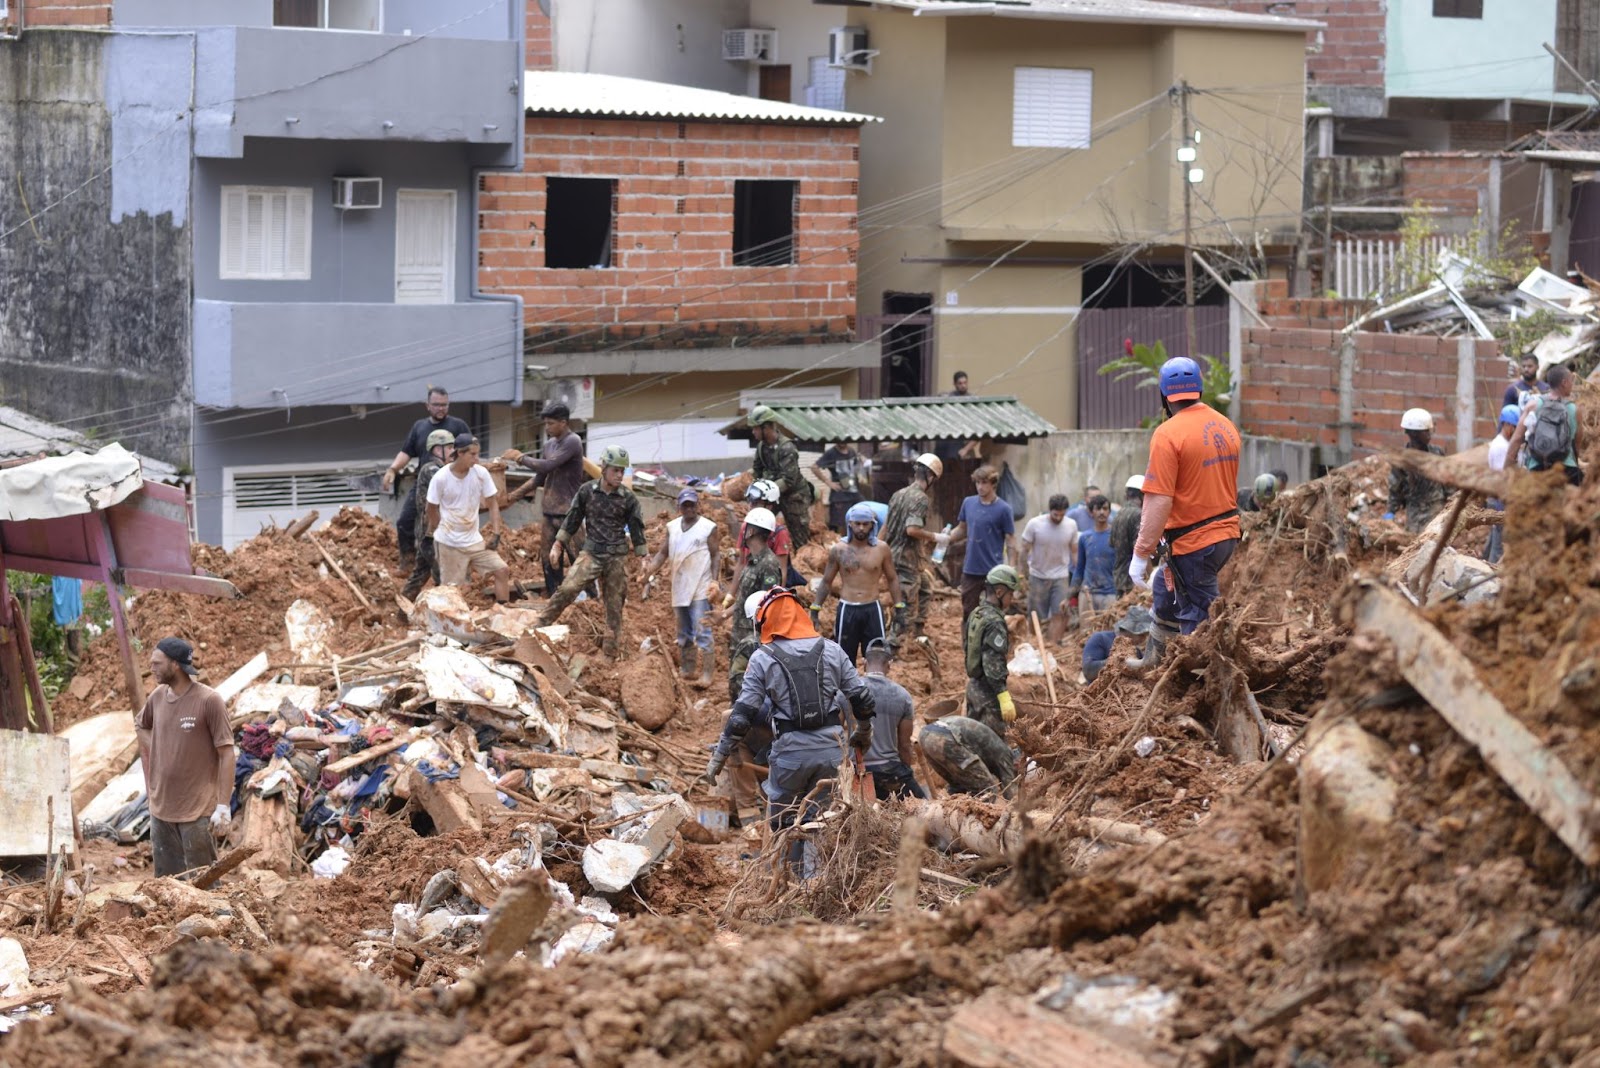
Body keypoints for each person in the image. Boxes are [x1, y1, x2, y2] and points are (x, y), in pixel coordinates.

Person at [704, 587, 875, 871]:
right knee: (820, 822)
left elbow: (741, 715)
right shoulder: (832, 649)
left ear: (764, 620)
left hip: (790, 755)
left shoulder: (762, 657)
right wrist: (864, 732)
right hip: (832, 751)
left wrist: (718, 758)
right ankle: (815, 887)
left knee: (784, 823)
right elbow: (861, 699)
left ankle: (783, 886)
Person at [1127, 357, 1242, 670]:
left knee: (1197, 615)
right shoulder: (1226, 426)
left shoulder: (1168, 434)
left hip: (1195, 543)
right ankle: (1155, 658)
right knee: (1166, 594)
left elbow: (1159, 500)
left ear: (1165, 396)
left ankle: (1198, 683)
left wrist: (1141, 552)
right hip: (1225, 535)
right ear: (1200, 390)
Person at [136, 638, 235, 877]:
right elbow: (141, 725)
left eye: (157, 663)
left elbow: (227, 753)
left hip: (197, 811)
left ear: (176, 665)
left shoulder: (208, 701)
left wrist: (222, 805)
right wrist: (159, 748)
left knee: (204, 881)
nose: (152, 668)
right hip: (161, 810)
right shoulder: (158, 697)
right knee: (167, 885)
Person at [539, 446, 646, 658]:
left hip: (616, 557)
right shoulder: (587, 491)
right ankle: (539, 625)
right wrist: (558, 545)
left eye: (622, 471)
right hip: (592, 553)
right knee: (568, 588)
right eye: (615, 470)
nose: (619, 475)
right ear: (604, 468)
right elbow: (572, 519)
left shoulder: (628, 498)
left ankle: (610, 654)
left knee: (614, 605)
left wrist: (644, 558)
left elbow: (637, 530)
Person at [501, 401, 586, 597]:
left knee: (578, 558)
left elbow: (547, 466)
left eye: (550, 423)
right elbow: (540, 478)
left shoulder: (572, 441)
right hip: (549, 512)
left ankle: (590, 598)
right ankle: (556, 597)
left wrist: (520, 458)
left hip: (569, 512)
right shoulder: (549, 445)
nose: (547, 428)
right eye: (545, 423)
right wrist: (514, 496)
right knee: (549, 560)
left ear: (563, 422)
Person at [643, 488, 721, 687]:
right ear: (679, 507)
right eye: (685, 505)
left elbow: (715, 555)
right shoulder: (673, 527)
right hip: (680, 586)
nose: (689, 509)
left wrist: (714, 581)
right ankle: (687, 669)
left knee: (702, 628)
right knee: (684, 632)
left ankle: (707, 674)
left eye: (692, 505)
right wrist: (648, 573)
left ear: (698, 505)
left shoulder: (707, 527)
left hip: (700, 587)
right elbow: (662, 553)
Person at [382, 387, 470, 563]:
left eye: (444, 405)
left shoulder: (458, 426)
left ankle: (453, 563)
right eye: (436, 405)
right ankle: (408, 561)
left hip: (451, 486)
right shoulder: (420, 427)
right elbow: (406, 452)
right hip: (424, 485)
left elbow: (470, 452)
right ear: (427, 405)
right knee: (405, 522)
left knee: (449, 526)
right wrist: (392, 469)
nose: (441, 408)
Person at [813, 501, 904, 664]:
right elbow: (827, 581)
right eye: (857, 524)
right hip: (848, 609)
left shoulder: (882, 549)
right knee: (845, 660)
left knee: (877, 656)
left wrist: (899, 607)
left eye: (865, 524)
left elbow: (892, 578)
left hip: (872, 608)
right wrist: (815, 608)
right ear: (850, 524)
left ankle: (875, 689)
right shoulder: (839, 550)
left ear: (872, 525)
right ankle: (847, 690)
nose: (861, 528)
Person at [425, 434, 511, 604]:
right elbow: (431, 508)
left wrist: (496, 533)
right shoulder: (441, 477)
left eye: (478, 454)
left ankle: (504, 612)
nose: (476, 459)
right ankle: (449, 626)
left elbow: (493, 503)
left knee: (502, 570)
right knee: (451, 591)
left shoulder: (480, 473)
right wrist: (438, 529)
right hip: (450, 544)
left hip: (474, 542)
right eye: (472, 454)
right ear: (460, 453)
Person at [883, 452, 944, 649]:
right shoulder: (921, 499)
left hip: (896, 556)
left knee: (926, 587)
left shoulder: (898, 494)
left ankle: (918, 630)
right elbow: (912, 530)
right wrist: (934, 536)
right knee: (905, 606)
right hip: (905, 561)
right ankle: (892, 649)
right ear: (932, 477)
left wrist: (877, 548)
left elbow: (886, 526)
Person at [723, 508, 786, 700]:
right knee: (736, 682)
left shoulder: (768, 564)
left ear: (752, 531)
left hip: (753, 639)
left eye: (746, 528)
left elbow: (768, 604)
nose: (743, 532)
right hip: (741, 635)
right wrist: (724, 614)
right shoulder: (752, 561)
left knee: (749, 686)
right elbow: (745, 599)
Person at [948, 465, 1016, 625]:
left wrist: (1012, 569)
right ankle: (969, 646)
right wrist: (943, 538)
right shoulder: (969, 503)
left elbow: (1011, 540)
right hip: (971, 568)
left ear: (993, 484)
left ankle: (991, 646)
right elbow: (961, 529)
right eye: (977, 482)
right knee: (968, 612)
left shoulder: (1004, 509)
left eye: (984, 482)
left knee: (994, 613)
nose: (980, 487)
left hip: (994, 570)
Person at [859, 639, 926, 800]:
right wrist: (906, 776)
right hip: (890, 771)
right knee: (923, 806)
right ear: (889, 664)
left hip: (858, 772)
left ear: (864, 663)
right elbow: (904, 745)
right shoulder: (902, 696)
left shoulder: (849, 691)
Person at [748, 404, 814, 548]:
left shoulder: (787, 448)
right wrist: (755, 490)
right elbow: (757, 470)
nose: (753, 432)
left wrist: (765, 491)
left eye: (756, 428)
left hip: (794, 497)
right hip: (772, 495)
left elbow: (788, 480)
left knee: (799, 538)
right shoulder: (761, 447)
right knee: (759, 526)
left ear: (766, 428)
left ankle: (803, 566)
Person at [965, 563, 1020, 737]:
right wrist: (1003, 696)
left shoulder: (977, 613)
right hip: (988, 695)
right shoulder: (995, 622)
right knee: (993, 748)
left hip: (973, 688)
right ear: (999, 592)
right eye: (1011, 593)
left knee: (974, 743)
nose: (1012, 598)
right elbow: (992, 663)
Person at [1508, 364, 1584, 487]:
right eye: (1571, 381)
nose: (1572, 384)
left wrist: (1506, 468)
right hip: (1566, 472)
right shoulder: (1575, 410)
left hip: (1538, 469)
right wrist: (1573, 461)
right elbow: (1577, 444)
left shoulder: (1532, 405)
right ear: (1564, 382)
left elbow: (1517, 439)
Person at [401, 429, 455, 601]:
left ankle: (402, 612)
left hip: (433, 533)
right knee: (445, 577)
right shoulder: (431, 469)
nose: (454, 452)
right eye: (451, 447)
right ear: (438, 450)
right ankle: (445, 613)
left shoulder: (442, 469)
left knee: (419, 575)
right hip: (430, 534)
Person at [1019, 494, 1078, 644]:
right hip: (1038, 575)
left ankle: (1052, 644)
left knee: (1060, 612)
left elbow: (1074, 551)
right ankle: (1035, 643)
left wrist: (1077, 574)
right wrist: (1023, 573)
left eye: (1062, 514)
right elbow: (1024, 550)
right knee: (1035, 615)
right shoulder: (1034, 524)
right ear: (1049, 510)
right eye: (1055, 514)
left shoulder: (1071, 525)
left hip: (1061, 576)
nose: (1058, 518)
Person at [917, 713, 1016, 798]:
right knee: (987, 788)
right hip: (945, 738)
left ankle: (948, 815)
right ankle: (978, 820)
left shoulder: (998, 747)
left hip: (925, 735)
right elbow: (1011, 791)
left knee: (959, 786)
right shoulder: (1006, 756)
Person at [1385, 409, 1449, 532]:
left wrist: (1452, 505)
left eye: (1430, 431)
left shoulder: (1437, 453)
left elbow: (1448, 481)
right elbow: (1395, 488)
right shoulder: (1402, 460)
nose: (1429, 435)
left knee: (1436, 544)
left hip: (1436, 508)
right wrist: (1390, 512)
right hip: (1415, 513)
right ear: (1414, 434)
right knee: (1416, 545)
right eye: (1426, 432)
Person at [732, 479, 796, 589]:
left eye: (756, 503)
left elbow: (781, 571)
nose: (751, 506)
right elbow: (741, 563)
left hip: (767, 585)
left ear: (769, 506)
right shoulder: (745, 527)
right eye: (750, 502)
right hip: (749, 583)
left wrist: (775, 598)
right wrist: (730, 596)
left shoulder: (779, 533)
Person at [1082, 605, 1154, 683]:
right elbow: (1088, 671)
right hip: (1101, 693)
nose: (1143, 639)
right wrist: (1116, 661)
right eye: (1141, 635)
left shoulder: (1136, 652)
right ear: (1129, 629)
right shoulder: (1100, 639)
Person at [1484, 404, 1519, 564]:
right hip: (1499, 500)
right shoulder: (1501, 447)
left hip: (1497, 499)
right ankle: (1491, 574)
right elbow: (1502, 479)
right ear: (1509, 426)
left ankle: (1482, 563)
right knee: (1499, 544)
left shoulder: (1503, 444)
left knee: (1495, 537)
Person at [1071, 494, 1117, 615]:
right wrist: (1069, 596)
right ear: (1091, 513)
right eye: (1098, 509)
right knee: (1086, 633)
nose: (1102, 512)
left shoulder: (1116, 536)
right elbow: (1079, 569)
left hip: (1111, 595)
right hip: (1088, 595)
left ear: (1109, 512)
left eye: (1105, 509)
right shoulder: (1085, 538)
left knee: (1108, 632)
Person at [813, 441, 868, 533]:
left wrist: (861, 463)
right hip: (840, 496)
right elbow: (814, 467)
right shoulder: (831, 453)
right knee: (839, 525)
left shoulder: (851, 451)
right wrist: (828, 482)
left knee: (865, 514)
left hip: (854, 493)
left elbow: (856, 466)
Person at [1111, 475, 1144, 596]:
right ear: (1143, 494)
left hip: (1119, 577)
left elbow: (1112, 543)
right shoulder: (1138, 514)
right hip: (1133, 580)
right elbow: (1140, 548)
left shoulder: (1118, 514)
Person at [935, 372, 973, 461]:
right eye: (960, 383)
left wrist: (966, 449)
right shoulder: (949, 398)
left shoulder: (971, 400)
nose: (963, 386)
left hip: (960, 444)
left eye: (965, 383)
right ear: (955, 384)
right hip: (945, 443)